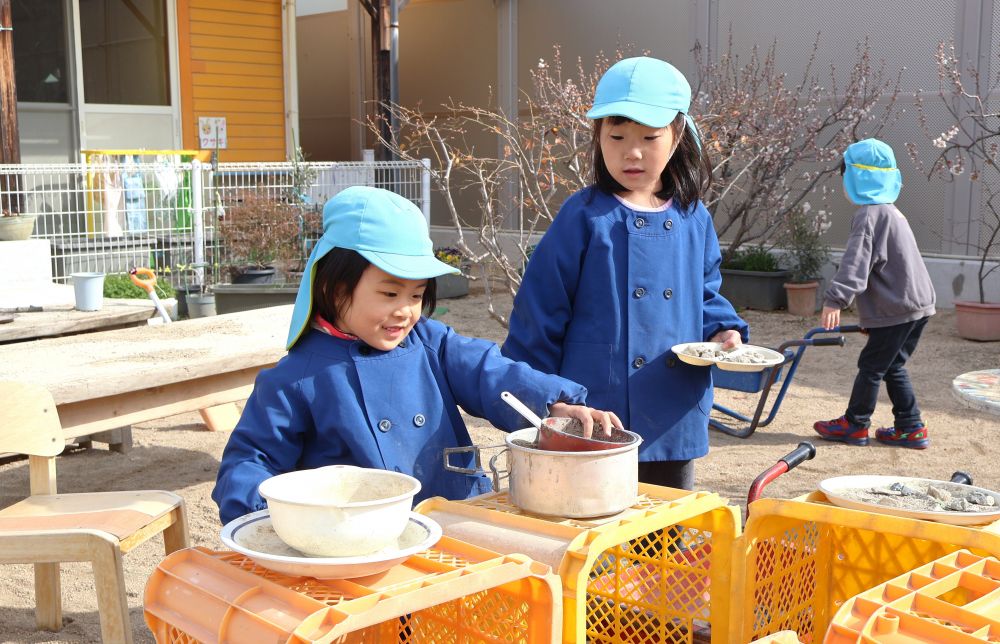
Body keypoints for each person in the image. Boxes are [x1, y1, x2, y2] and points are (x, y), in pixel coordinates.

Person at [212, 186, 623, 524]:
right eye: (390, 293)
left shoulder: (429, 342)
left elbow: (488, 370)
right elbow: (251, 459)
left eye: (416, 295)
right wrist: (266, 517)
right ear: (335, 290)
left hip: (454, 515)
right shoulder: (297, 377)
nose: (405, 311)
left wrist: (553, 403)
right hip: (362, 540)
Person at [501, 57, 748, 491]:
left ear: (677, 136)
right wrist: (539, 393)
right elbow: (540, 309)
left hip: (674, 404)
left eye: (649, 137)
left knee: (667, 520)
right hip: (595, 407)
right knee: (592, 516)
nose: (632, 152)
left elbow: (706, 293)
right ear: (599, 138)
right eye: (616, 137)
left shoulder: (694, 218)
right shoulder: (583, 216)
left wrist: (722, 330)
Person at [813, 138, 936, 449]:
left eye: (845, 176)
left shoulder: (869, 215)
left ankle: (855, 424)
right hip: (917, 305)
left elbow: (857, 264)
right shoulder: (891, 212)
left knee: (871, 367)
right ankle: (910, 427)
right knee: (892, 365)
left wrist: (835, 299)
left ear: (858, 178)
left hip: (899, 308)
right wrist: (874, 319)